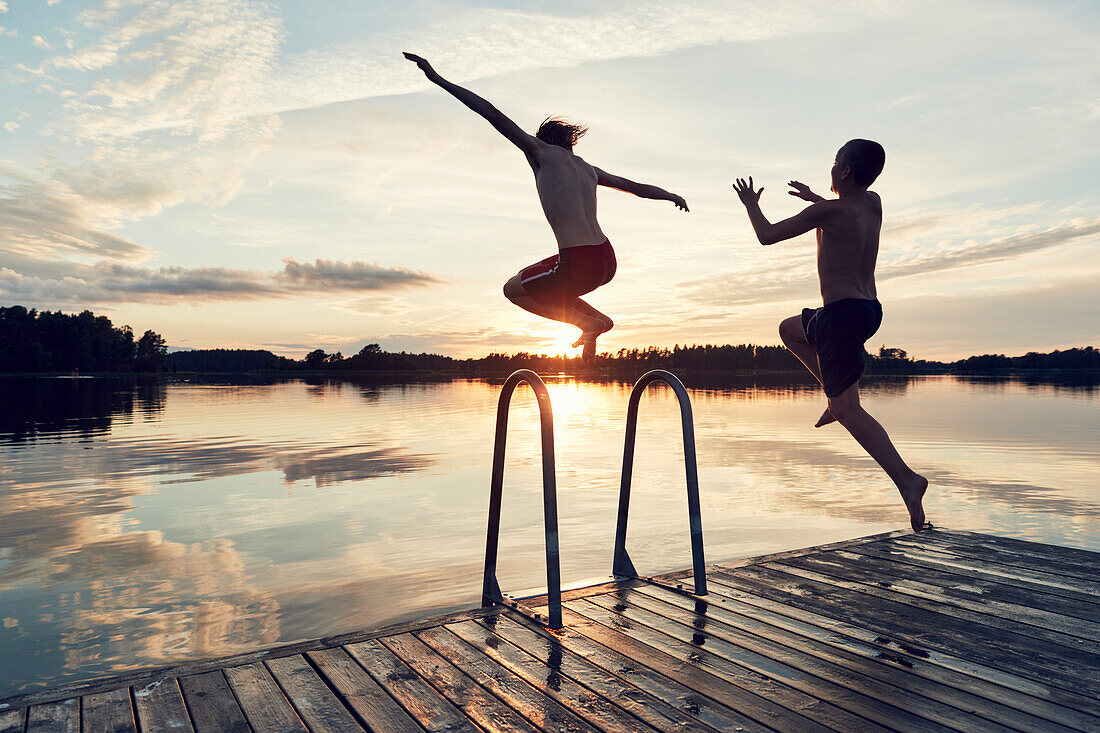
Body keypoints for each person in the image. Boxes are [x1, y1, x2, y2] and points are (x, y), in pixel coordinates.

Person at [404, 52, 689, 362]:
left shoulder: (540, 152)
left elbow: (493, 115)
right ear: (570, 142)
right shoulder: (589, 169)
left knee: (512, 290)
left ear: (541, 140)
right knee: (532, 279)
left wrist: (438, 79)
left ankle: (590, 322)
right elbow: (637, 189)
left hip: (579, 261)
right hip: (606, 259)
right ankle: (595, 323)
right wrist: (672, 195)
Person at [733, 140, 928, 532]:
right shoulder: (872, 203)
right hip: (867, 310)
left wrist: (752, 205)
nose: (832, 166)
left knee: (849, 409)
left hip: (841, 316)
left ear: (843, 172)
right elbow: (846, 216)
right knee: (791, 329)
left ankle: (908, 481)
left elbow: (767, 236)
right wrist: (816, 198)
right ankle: (833, 397)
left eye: (835, 162)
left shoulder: (826, 212)